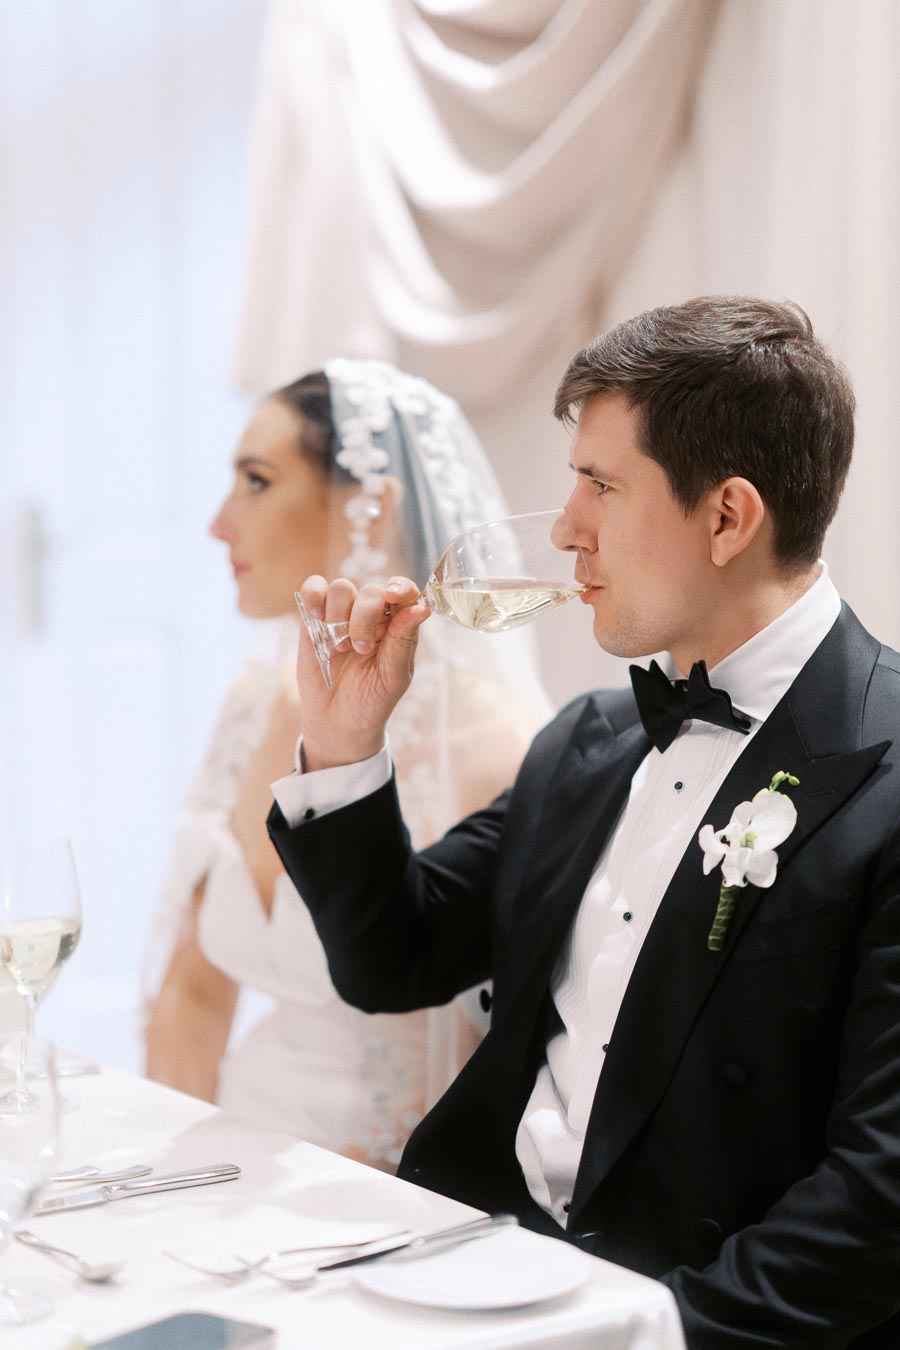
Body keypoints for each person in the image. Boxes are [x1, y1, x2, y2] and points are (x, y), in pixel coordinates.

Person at [266, 298, 900, 1347]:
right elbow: (393, 960)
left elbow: (878, 1200)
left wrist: (636, 1334)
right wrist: (346, 745)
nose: (565, 529)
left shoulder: (883, 769)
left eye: (600, 485)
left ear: (728, 516)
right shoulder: (589, 742)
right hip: (478, 1282)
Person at [143, 359, 551, 1167]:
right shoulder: (254, 701)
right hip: (228, 1157)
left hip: (392, 1201)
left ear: (375, 503)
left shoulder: (497, 744)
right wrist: (173, 1188)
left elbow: (498, 1062)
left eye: (255, 481)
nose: (219, 524)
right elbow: (192, 994)